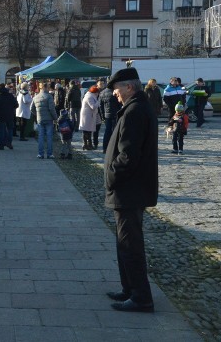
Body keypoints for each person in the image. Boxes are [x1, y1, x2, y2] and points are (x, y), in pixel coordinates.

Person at [104, 68, 158, 313]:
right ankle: (129, 288)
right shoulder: (134, 107)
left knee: (130, 245)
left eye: (116, 89)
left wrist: (112, 175)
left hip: (129, 189)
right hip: (129, 189)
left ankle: (141, 297)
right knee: (123, 243)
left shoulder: (135, 110)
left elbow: (128, 155)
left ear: (129, 87)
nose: (115, 94)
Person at [30, 82, 58, 159]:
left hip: (40, 119)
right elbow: (51, 109)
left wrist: (37, 114)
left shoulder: (36, 97)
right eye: (48, 87)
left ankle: (40, 154)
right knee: (49, 137)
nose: (49, 88)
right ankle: (49, 154)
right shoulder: (49, 97)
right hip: (49, 119)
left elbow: (31, 108)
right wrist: (55, 118)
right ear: (46, 87)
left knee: (41, 137)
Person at [0, 83, 18, 150]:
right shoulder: (10, 96)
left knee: (1, 130)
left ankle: (2, 144)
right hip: (10, 115)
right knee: (10, 129)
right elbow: (16, 105)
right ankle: (9, 143)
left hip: (0, 115)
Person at [100, 84, 121, 154]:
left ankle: (105, 148)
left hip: (107, 115)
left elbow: (101, 106)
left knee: (107, 131)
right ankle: (114, 148)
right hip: (115, 114)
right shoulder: (114, 92)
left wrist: (102, 116)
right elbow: (119, 103)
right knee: (115, 131)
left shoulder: (102, 93)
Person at [79, 85, 100, 151]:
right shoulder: (89, 97)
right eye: (97, 92)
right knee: (86, 131)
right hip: (87, 116)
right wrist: (98, 102)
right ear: (95, 92)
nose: (98, 94)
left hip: (89, 116)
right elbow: (93, 106)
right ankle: (86, 145)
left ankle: (88, 145)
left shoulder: (91, 96)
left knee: (88, 131)